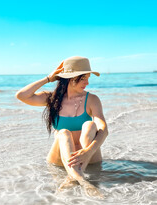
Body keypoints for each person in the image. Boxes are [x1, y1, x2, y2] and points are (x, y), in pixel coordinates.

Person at [15, 56, 108, 197]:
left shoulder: (92, 100)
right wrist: (48, 78)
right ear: (71, 78)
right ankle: (79, 176)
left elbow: (103, 129)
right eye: (83, 78)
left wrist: (88, 152)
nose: (87, 83)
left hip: (89, 157)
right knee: (63, 132)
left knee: (90, 125)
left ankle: (74, 176)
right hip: (61, 158)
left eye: (88, 78)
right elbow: (21, 95)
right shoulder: (52, 99)